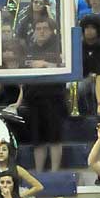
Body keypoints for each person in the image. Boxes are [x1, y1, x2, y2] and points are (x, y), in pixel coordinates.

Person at [22, 18, 66, 172]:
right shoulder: (29, 49)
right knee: (37, 140)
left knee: (54, 137)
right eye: (38, 28)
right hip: (33, 99)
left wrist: (46, 65)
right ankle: (39, 172)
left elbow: (64, 66)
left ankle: (54, 172)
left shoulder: (59, 46)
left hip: (54, 98)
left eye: (44, 28)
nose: (41, 31)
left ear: (51, 30)